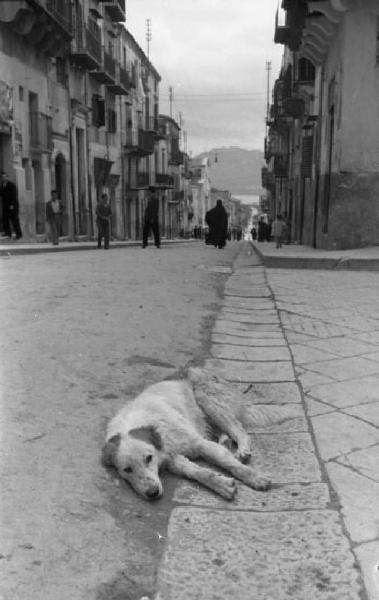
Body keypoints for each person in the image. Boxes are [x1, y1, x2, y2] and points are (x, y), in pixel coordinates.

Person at [0, 171, 22, 240]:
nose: (3, 178)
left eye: (5, 177)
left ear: (7, 177)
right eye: (2, 177)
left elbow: (14, 195)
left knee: (14, 220)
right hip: (5, 205)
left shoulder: (11, 185)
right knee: (5, 219)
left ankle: (19, 234)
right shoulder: (2, 185)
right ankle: (8, 233)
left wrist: (12, 204)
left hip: (12, 205)